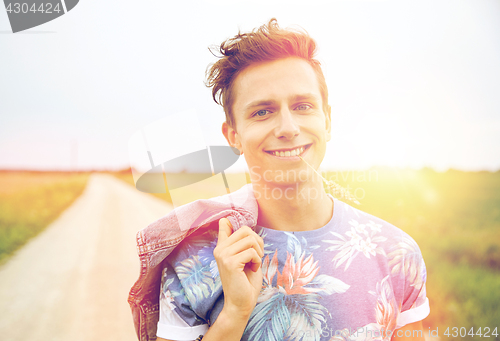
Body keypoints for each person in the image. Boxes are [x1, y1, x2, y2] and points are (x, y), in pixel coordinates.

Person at [134, 18, 429, 341]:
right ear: (233, 136)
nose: (288, 127)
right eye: (262, 112)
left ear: (327, 120)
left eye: (303, 106)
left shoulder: (397, 253)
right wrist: (234, 313)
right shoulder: (194, 260)